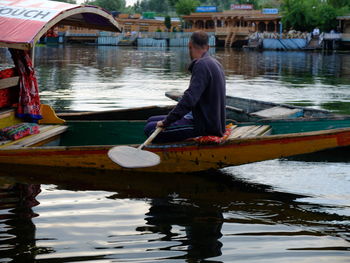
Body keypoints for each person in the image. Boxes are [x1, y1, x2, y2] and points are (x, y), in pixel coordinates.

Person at [144, 31, 226, 143]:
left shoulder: (201, 65)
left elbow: (189, 99)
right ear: (208, 47)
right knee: (150, 120)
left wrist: (166, 122)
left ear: (189, 45)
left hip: (204, 126)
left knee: (150, 128)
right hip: (208, 120)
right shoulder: (215, 63)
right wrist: (169, 119)